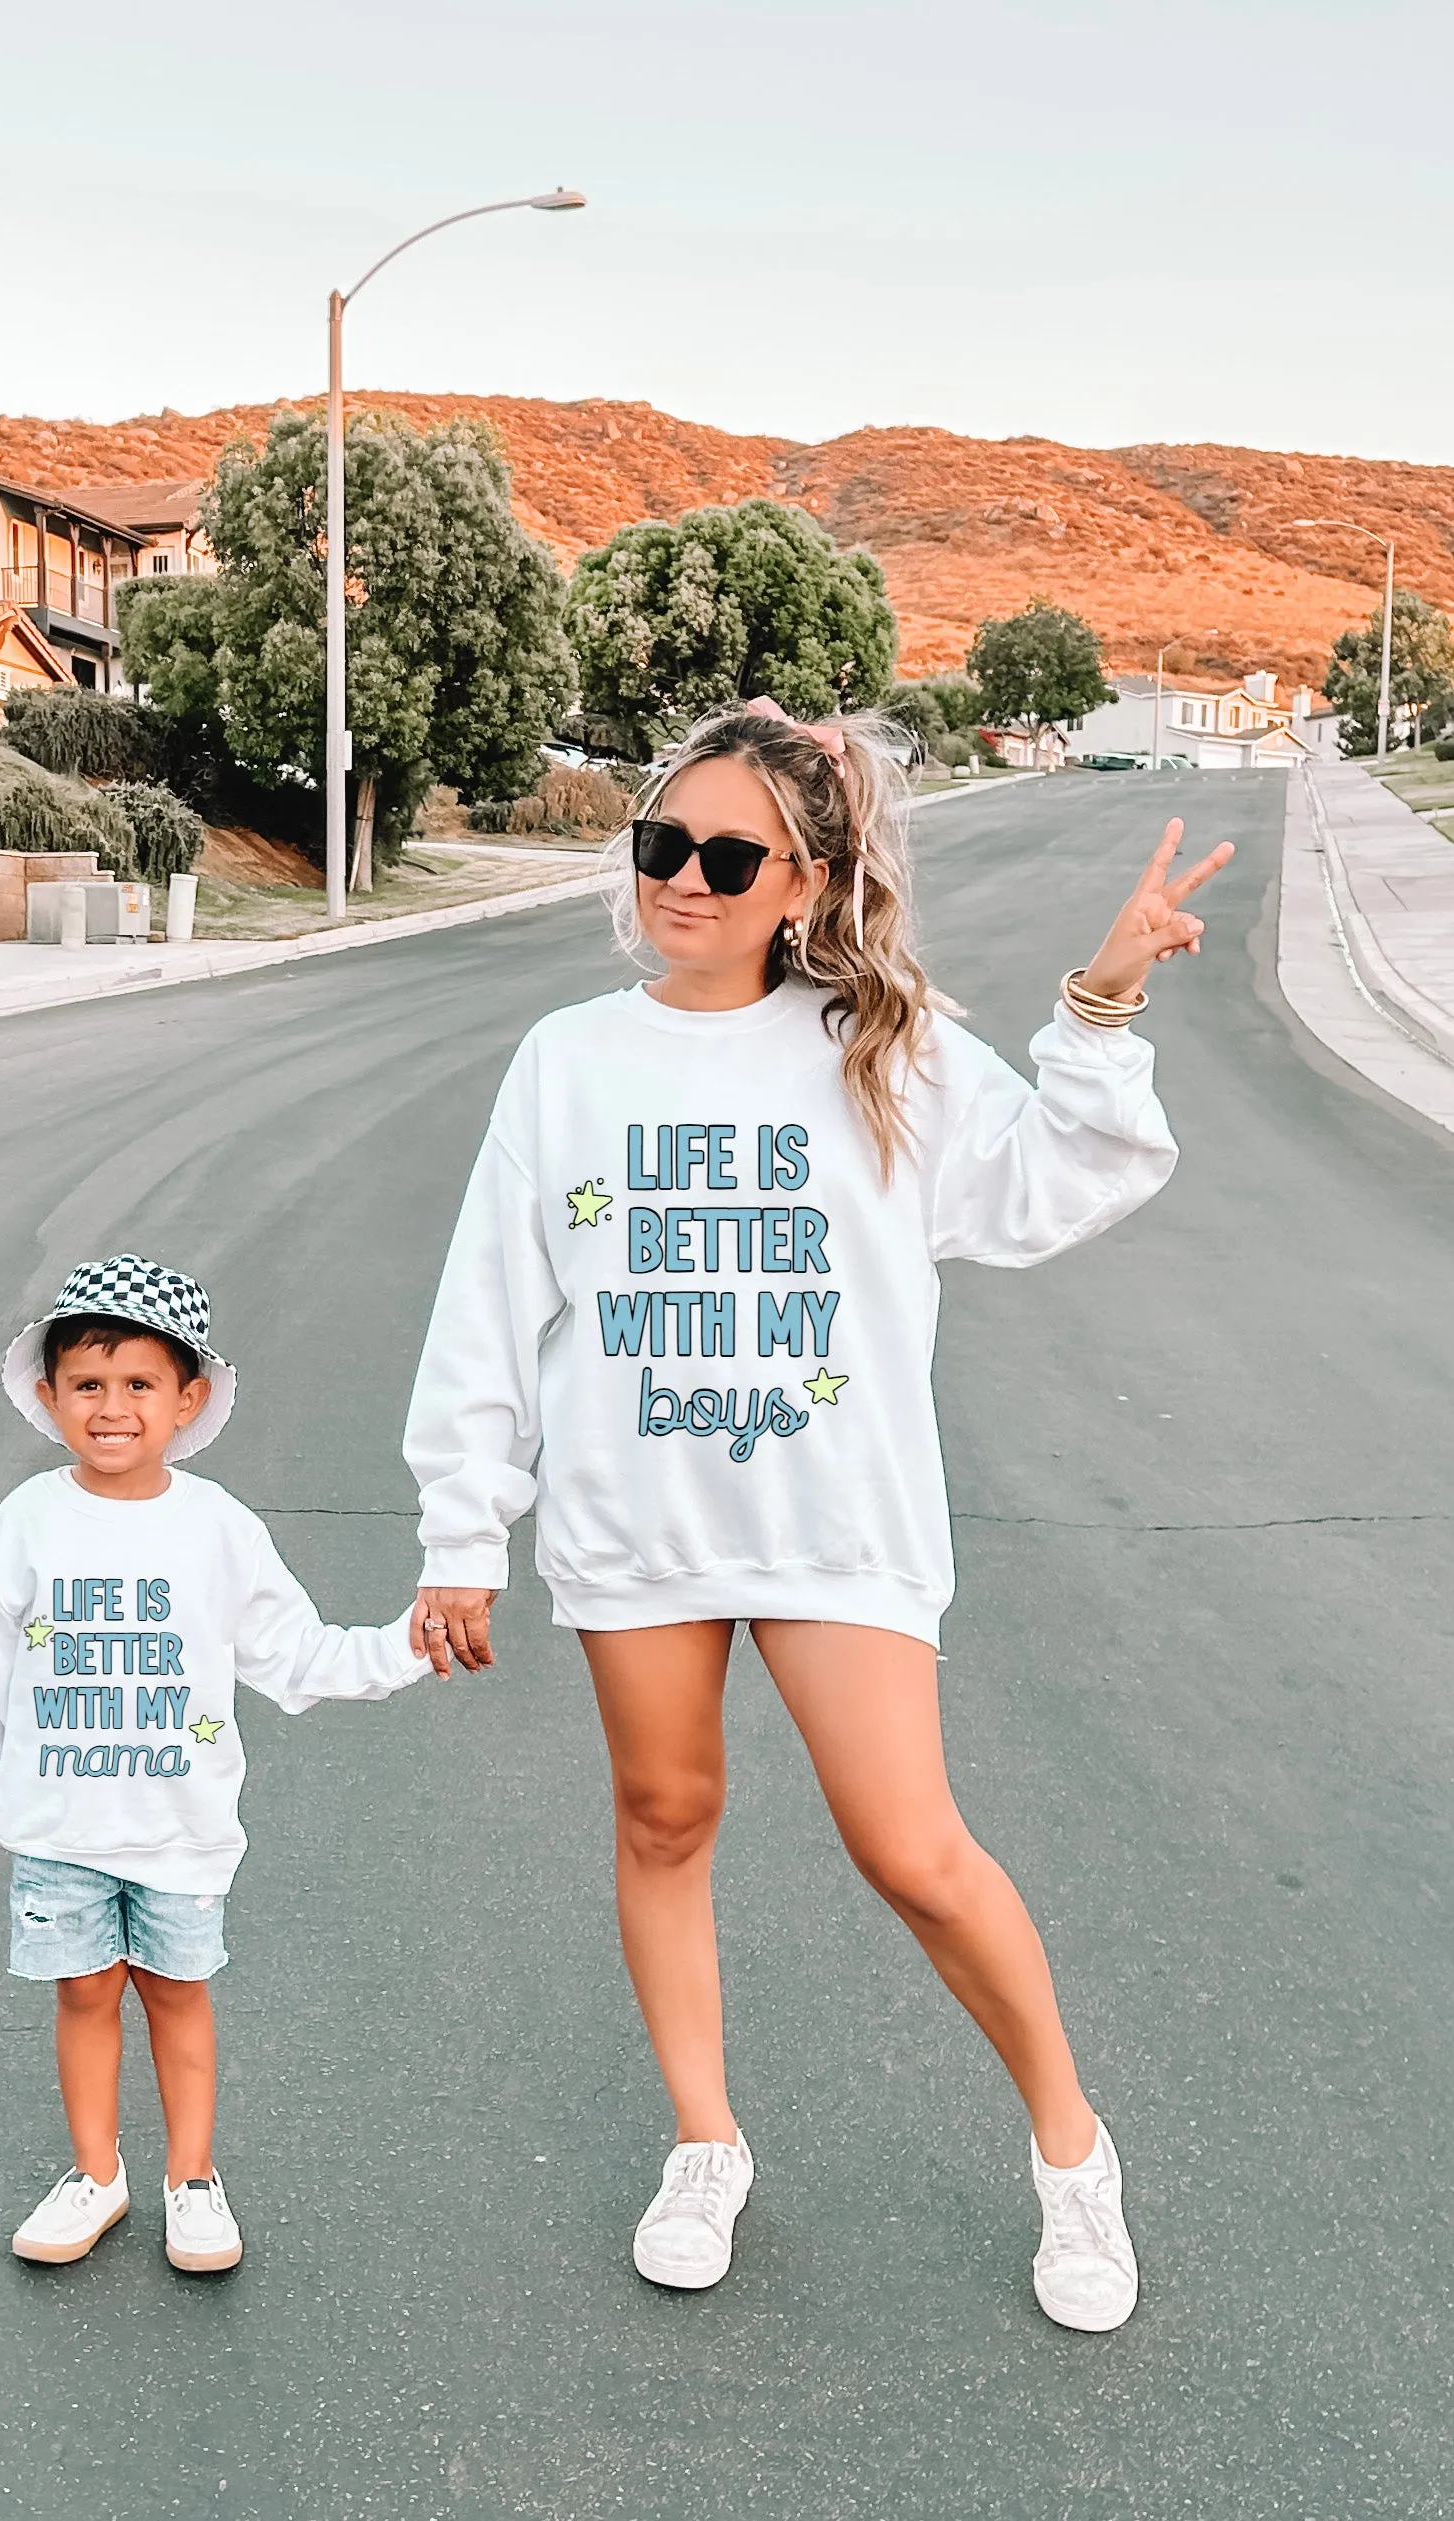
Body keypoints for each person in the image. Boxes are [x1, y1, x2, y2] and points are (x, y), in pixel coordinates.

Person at [403, 699, 1232, 2331]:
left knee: (914, 1853)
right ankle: (705, 2141)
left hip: (835, 1522)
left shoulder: (887, 1045)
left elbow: (1059, 1173)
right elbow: (489, 1307)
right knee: (663, 1819)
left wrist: (1107, 993)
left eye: (726, 856)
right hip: (634, 1526)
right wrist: (459, 1528)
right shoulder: (568, 1060)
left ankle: (1074, 2152)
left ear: (809, 878)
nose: (684, 882)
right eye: (662, 847)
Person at [0, 1255, 430, 2275]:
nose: (110, 1407)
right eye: (87, 1383)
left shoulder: (215, 1527)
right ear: (49, 1395)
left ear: (185, 1399)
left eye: (138, 1385)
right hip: (59, 1828)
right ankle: (96, 2172)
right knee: (82, 1995)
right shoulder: (26, 1521)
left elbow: (298, 1655)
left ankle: (191, 2179)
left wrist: (410, 1643)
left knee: (174, 1995)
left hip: (180, 1833)